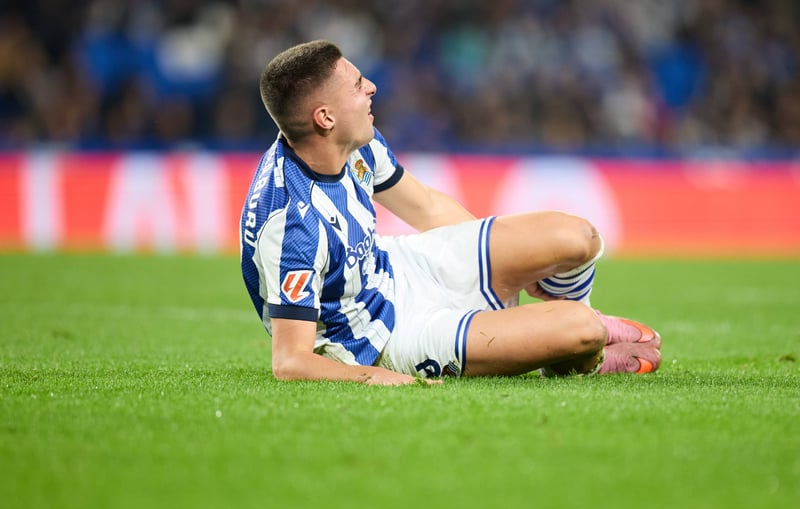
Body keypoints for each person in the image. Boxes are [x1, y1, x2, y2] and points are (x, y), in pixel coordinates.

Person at [240, 40, 662, 385]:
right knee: (582, 328)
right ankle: (582, 352)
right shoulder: (292, 223)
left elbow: (426, 207)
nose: (371, 87)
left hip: (401, 266)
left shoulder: (353, 140)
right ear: (325, 117)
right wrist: (374, 377)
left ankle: (562, 344)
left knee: (577, 237)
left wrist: (503, 267)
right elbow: (290, 361)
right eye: (356, 86)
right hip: (388, 338)